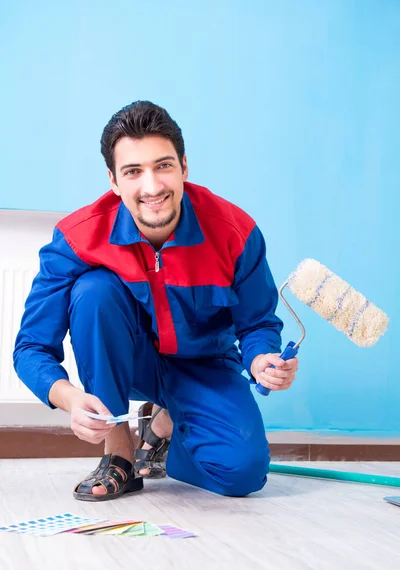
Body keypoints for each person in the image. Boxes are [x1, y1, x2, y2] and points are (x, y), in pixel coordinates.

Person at [13, 101, 298, 502]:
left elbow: (257, 324)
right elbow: (30, 348)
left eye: (163, 166)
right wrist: (70, 398)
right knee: (94, 291)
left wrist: (261, 359)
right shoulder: (78, 237)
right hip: (132, 363)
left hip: (205, 366)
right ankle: (121, 453)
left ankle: (163, 427)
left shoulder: (235, 232)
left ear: (183, 167)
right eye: (133, 172)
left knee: (242, 473)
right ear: (113, 181)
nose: (152, 187)